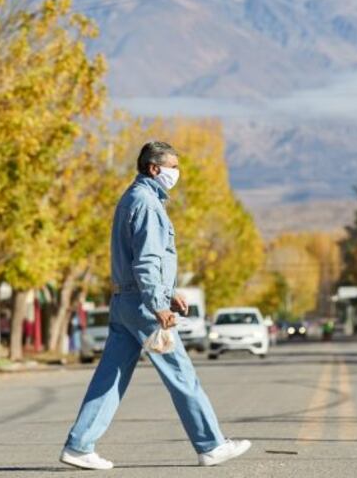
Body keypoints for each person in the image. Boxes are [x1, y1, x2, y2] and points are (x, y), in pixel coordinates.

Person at [60, 141, 251, 470]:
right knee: (181, 373)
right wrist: (158, 303)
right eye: (172, 167)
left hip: (124, 301)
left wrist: (171, 290)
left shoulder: (132, 198)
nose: (176, 173)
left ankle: (79, 445)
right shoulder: (147, 203)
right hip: (144, 306)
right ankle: (211, 444)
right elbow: (147, 261)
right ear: (153, 168)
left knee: (111, 376)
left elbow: (142, 259)